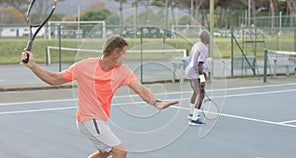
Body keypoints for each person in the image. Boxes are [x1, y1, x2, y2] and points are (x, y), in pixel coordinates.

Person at [21, 35, 179, 158]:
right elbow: (55, 79)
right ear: (115, 54)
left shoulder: (123, 71)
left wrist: (156, 103)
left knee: (104, 153)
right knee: (120, 152)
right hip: (88, 119)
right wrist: (33, 65)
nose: (125, 57)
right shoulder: (84, 66)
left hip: (101, 120)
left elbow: (141, 90)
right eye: (124, 54)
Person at [184, 30, 210, 126]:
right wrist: (202, 80)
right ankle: (194, 119)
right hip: (194, 73)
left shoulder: (196, 45)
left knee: (196, 92)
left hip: (190, 71)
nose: (210, 38)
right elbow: (199, 65)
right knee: (201, 94)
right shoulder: (204, 48)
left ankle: (191, 114)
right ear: (205, 38)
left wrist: (203, 72)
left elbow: (196, 63)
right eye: (208, 36)